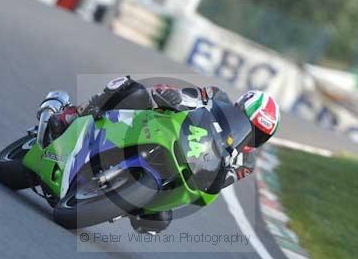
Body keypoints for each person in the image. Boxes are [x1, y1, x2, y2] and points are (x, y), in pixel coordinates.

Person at [40, 76, 280, 233]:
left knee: (159, 221)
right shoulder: (218, 97)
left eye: (258, 134)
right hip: (167, 128)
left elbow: (217, 185)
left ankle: (118, 201)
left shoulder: (246, 161)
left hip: (185, 172)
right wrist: (174, 96)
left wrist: (221, 173)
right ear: (238, 107)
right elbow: (190, 96)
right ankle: (75, 113)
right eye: (249, 124)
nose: (250, 135)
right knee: (131, 90)